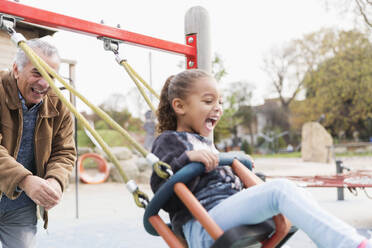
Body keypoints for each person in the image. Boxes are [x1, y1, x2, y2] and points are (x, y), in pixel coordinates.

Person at [150, 69, 371, 248]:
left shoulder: (207, 143)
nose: (218, 108)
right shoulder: (170, 141)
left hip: (224, 212)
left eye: (221, 102)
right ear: (179, 106)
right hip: (202, 223)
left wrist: (245, 175)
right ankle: (348, 244)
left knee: (295, 191)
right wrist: (188, 158)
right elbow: (161, 188)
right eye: (209, 101)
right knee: (280, 190)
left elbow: (223, 184)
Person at [0, 38, 76, 248]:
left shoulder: (59, 103)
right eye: (37, 73)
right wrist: (25, 180)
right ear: (16, 69)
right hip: (23, 187)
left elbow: (64, 151)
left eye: (51, 76)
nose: (44, 83)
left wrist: (55, 180)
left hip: (20, 206)